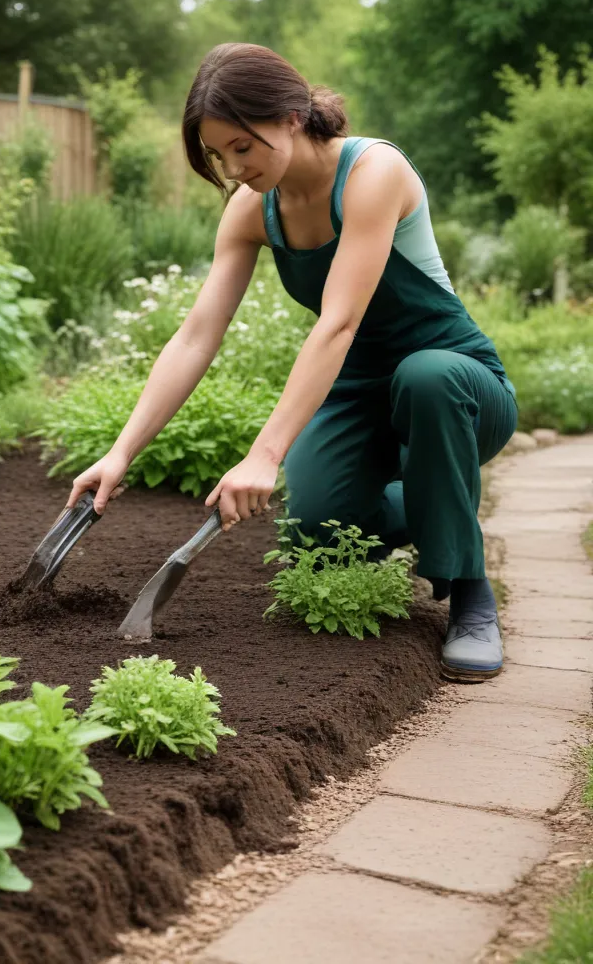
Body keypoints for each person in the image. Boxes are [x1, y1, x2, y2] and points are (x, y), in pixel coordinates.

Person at [66, 42, 518, 683]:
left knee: (427, 376)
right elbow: (196, 336)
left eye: (242, 148)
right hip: (357, 389)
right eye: (219, 157)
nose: (234, 169)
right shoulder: (253, 210)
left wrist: (265, 453)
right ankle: (435, 499)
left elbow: (339, 322)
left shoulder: (373, 172)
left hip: (459, 385)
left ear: (291, 116)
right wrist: (120, 452)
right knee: (319, 535)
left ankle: (470, 592)